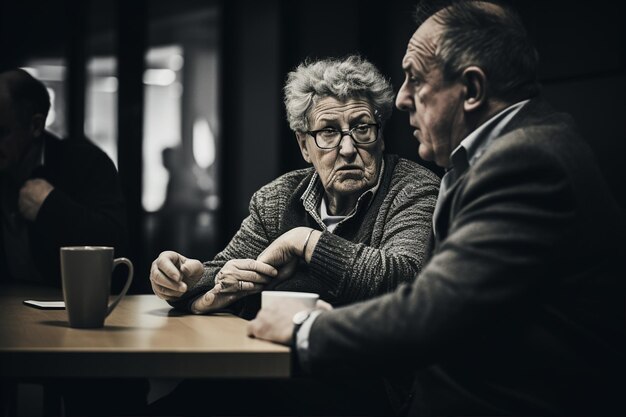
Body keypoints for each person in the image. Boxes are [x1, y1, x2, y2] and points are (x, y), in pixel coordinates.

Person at [247, 1, 626, 415]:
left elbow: (430, 308)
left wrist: (307, 330)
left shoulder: (527, 161)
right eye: (327, 132)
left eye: (415, 80)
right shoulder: (497, 155)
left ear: (472, 90)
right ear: (304, 144)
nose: (403, 100)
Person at [150, 54, 440, 319]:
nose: (349, 148)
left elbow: (405, 280)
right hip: (273, 361)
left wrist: (302, 242)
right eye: (328, 131)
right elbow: (228, 272)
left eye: (362, 128)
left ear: (381, 137)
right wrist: (185, 281)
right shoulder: (277, 198)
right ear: (304, 145)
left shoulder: (413, 189)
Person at [0, 68, 128, 287]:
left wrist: (51, 206)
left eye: (1, 132)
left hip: (70, 307)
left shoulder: (86, 162)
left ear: (35, 125)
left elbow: (115, 243)